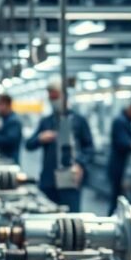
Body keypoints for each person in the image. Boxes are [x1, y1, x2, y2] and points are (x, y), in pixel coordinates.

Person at [25, 80, 95, 212]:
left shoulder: (79, 121)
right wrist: (40, 138)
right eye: (51, 97)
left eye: (55, 96)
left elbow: (89, 148)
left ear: (64, 96)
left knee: (71, 216)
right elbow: (29, 145)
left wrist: (80, 164)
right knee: (47, 215)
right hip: (48, 180)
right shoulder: (46, 122)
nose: (53, 101)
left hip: (70, 178)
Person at [0, 93, 23, 163]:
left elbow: (9, 140)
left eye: (0, 104)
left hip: (10, 160)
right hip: (4, 157)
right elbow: (3, 134)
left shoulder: (14, 121)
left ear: (8, 105)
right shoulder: (4, 119)